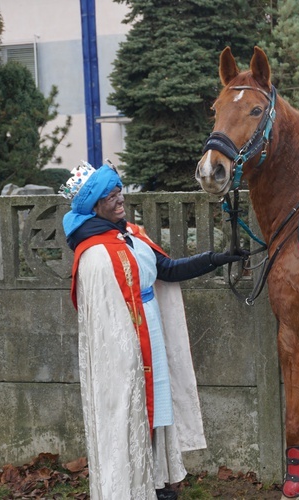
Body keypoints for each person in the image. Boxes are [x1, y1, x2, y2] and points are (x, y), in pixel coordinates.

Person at [60, 161, 243, 500]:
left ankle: (159, 482)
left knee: (158, 410)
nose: (120, 201)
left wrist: (217, 258)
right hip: (126, 351)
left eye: (120, 193)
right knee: (130, 414)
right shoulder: (95, 254)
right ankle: (132, 488)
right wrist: (126, 359)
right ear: (95, 206)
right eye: (112, 196)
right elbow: (103, 325)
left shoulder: (131, 235)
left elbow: (168, 270)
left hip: (151, 335)